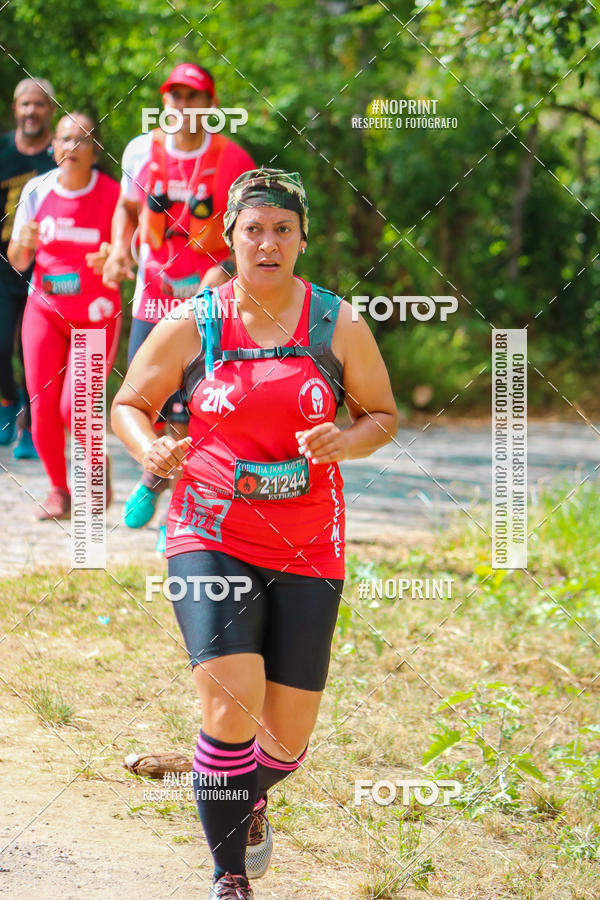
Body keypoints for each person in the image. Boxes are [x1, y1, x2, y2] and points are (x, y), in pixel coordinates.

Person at [112, 169, 398, 898]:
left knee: (287, 740)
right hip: (210, 528)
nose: (267, 243)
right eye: (253, 230)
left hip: (308, 541)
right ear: (231, 238)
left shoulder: (338, 323)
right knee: (229, 703)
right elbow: (130, 404)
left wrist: (344, 440)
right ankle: (229, 877)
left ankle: (239, 786)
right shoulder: (197, 321)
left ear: (302, 240)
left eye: (282, 230)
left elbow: (382, 416)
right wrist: (151, 447)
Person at [102, 62, 255, 553]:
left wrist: (225, 269)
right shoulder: (140, 150)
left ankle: (176, 506)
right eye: (175, 96)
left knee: (193, 408)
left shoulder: (234, 160)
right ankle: (154, 476)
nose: (183, 106)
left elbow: (252, 231)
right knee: (141, 398)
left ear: (211, 105)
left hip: (206, 304)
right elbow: (127, 208)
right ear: (164, 102)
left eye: (194, 97)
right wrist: (120, 249)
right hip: (153, 296)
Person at [8, 112, 121, 520]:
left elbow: (129, 258)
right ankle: (59, 490)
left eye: (83, 139)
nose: (72, 147)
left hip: (95, 314)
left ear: (96, 150)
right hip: (45, 311)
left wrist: (114, 259)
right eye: (65, 139)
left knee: (74, 407)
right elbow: (18, 260)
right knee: (41, 408)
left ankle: (97, 469)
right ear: (53, 146)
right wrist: (22, 244)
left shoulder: (113, 194)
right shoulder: (36, 190)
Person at [0, 77, 55, 458]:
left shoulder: (60, 155)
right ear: (15, 109)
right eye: (25, 104)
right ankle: (8, 401)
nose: (31, 111)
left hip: (47, 272)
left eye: (39, 104)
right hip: (3, 269)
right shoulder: (3, 151)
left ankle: (32, 429)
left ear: (50, 110)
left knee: (35, 354)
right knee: (1, 345)